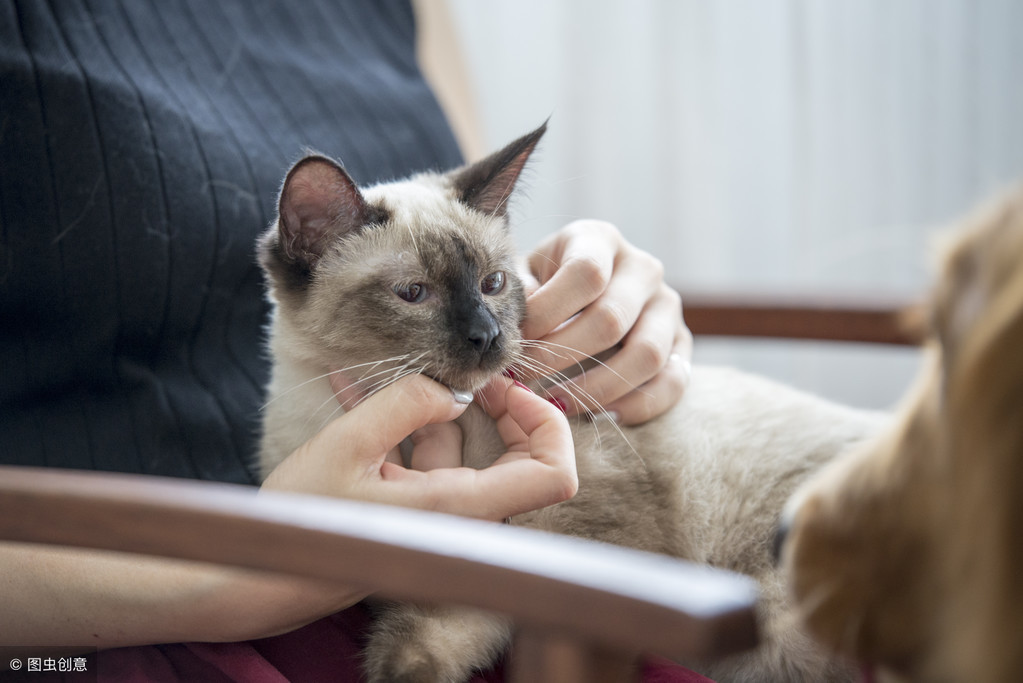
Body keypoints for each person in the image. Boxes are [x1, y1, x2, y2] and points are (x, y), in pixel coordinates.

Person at [0, 0, 695, 679]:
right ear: (303, 248)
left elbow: (458, 212)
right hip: (141, 611)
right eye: (412, 294)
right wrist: (257, 564)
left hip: (472, 559)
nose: (477, 333)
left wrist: (590, 292)